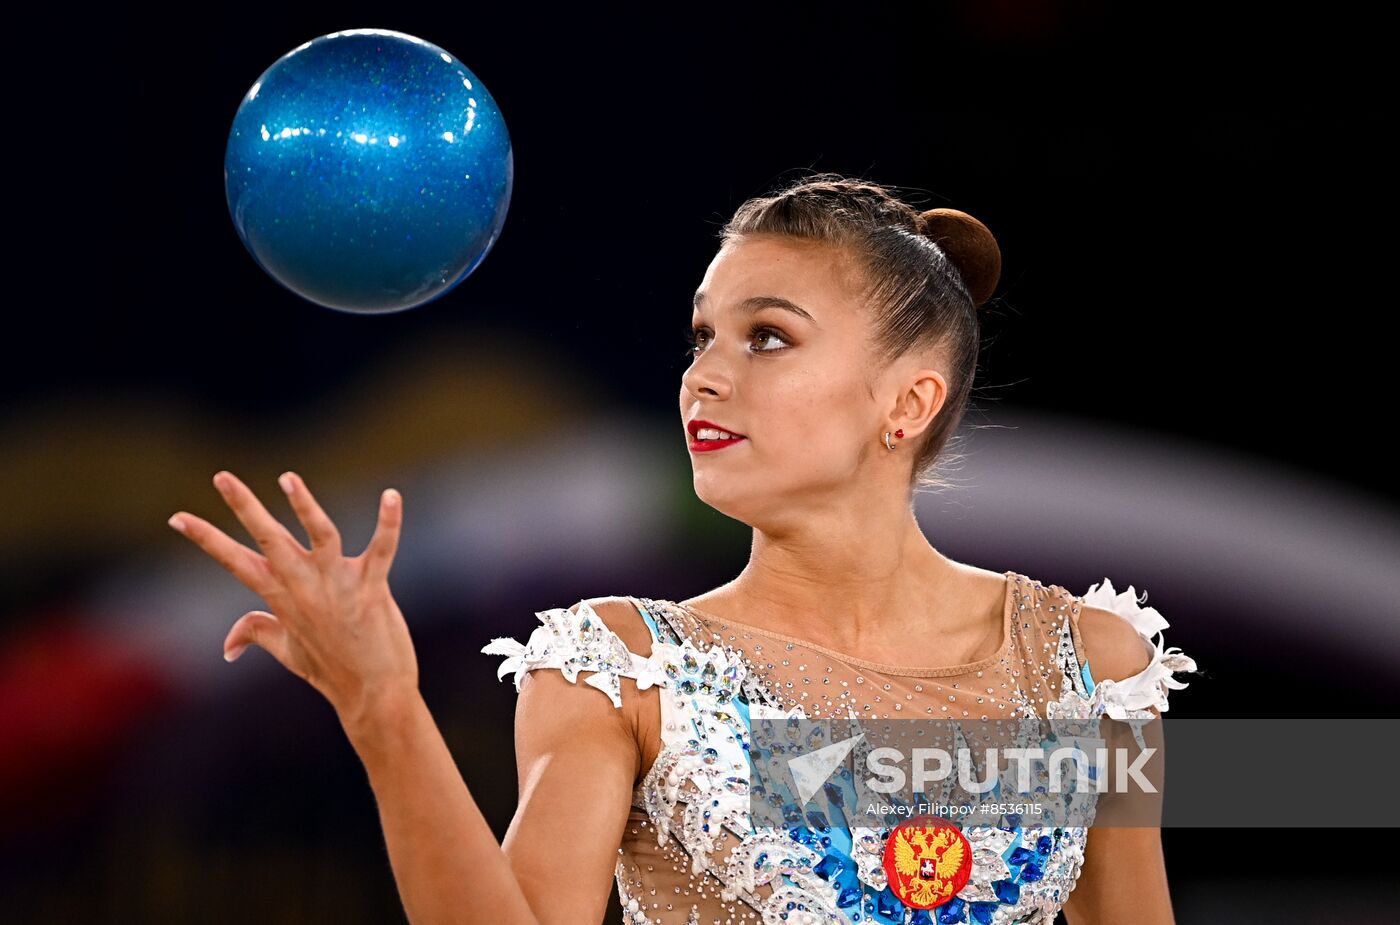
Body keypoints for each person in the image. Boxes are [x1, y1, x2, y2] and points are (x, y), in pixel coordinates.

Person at [168, 173, 1199, 925]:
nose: (702, 377)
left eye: (766, 337)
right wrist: (383, 710)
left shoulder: (1087, 666)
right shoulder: (620, 670)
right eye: (700, 336)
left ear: (907, 401)